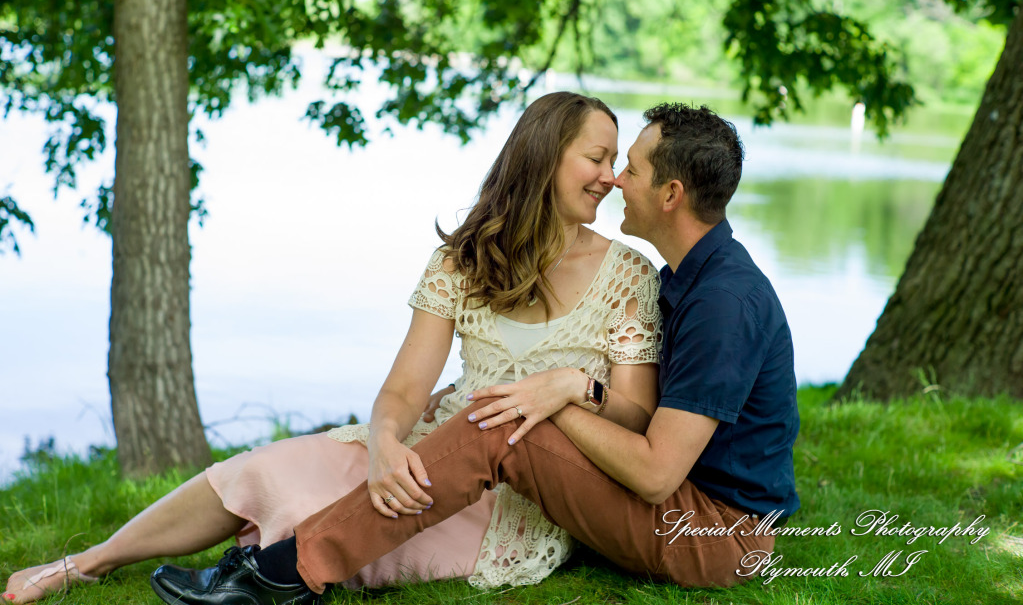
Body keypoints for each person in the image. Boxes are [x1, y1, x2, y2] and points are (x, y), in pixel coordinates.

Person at [2, 91, 663, 604]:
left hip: (519, 490)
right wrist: (383, 445)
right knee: (267, 466)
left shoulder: (628, 274)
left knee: (333, 520)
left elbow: (633, 417)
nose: (610, 176)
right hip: (429, 446)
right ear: (546, 156)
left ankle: (255, 576)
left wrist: (575, 387)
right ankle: (82, 564)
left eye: (614, 161)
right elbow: (405, 388)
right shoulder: (459, 260)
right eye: (597, 157)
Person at [148, 102, 801, 605]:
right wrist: (569, 388)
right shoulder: (687, 278)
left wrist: (551, 395)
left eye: (631, 167)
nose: (616, 180)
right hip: (687, 511)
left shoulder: (722, 302)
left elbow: (657, 473)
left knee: (507, 425)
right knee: (508, 414)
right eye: (609, 161)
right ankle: (281, 560)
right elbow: (642, 421)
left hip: (718, 538)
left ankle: (286, 573)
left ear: (670, 194)